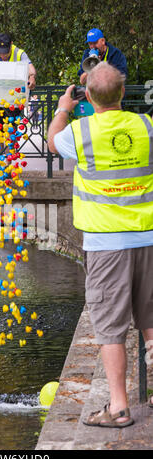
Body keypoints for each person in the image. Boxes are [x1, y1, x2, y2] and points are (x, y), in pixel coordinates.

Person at [48, 62, 153, 428]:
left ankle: (119, 408)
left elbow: (52, 139)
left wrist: (64, 106)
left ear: (88, 97)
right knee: (151, 318)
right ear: (123, 93)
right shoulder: (146, 127)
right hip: (148, 237)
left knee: (111, 328)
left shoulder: (79, 132)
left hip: (107, 244)